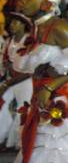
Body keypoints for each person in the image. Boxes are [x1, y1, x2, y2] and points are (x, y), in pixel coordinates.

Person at [10, 0, 68, 163]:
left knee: (53, 155)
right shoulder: (36, 29)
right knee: (35, 153)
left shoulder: (60, 28)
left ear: (46, 3)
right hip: (40, 97)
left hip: (58, 101)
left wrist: (50, 88)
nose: (22, 1)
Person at [0, 12, 34, 150]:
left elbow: (31, 69)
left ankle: (19, 142)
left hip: (25, 80)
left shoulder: (29, 41)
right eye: (11, 22)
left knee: (23, 109)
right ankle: (2, 137)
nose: (12, 25)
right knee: (2, 105)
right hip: (11, 80)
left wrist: (9, 82)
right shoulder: (9, 41)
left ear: (24, 25)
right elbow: (5, 62)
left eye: (16, 22)